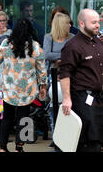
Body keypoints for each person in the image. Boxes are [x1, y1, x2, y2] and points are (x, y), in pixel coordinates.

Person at [0, 18, 48, 152]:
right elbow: (41, 69)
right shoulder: (35, 47)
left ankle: (3, 148)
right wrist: (43, 86)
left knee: (7, 118)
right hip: (27, 90)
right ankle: (19, 147)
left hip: (9, 89)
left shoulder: (6, 43)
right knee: (24, 119)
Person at [59, 9, 103, 152]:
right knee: (88, 140)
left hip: (99, 97)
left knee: (98, 138)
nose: (98, 25)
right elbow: (65, 73)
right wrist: (66, 99)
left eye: (98, 22)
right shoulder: (72, 46)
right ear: (82, 23)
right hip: (82, 98)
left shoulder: (98, 42)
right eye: (94, 22)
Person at [43, 13, 74, 142]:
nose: (70, 25)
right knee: (53, 106)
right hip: (52, 76)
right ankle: (56, 136)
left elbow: (73, 54)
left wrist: (59, 57)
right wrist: (63, 56)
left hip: (69, 75)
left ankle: (68, 136)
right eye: (68, 23)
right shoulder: (49, 38)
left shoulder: (72, 37)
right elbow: (46, 54)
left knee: (68, 105)